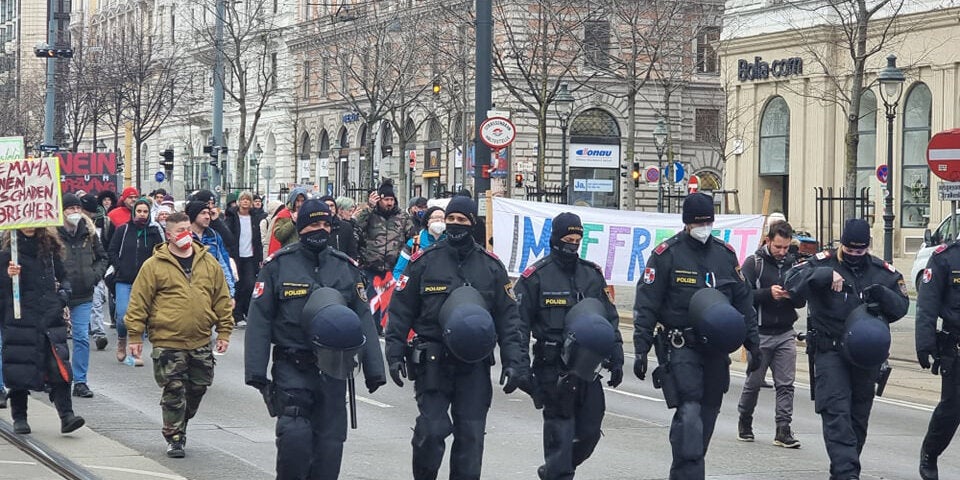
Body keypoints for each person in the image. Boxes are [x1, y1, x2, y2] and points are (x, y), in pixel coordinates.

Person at [385, 195, 526, 480]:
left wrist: (516, 362)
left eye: (461, 220)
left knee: (471, 436)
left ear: (472, 223)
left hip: (473, 365)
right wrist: (394, 352)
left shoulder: (491, 267)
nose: (454, 225)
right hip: (433, 361)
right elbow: (401, 310)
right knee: (431, 431)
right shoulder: (424, 262)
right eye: (450, 219)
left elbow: (509, 319)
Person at [245, 199, 385, 479]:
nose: (319, 230)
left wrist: (374, 370)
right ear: (300, 227)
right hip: (292, 365)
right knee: (294, 440)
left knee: (329, 447)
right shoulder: (278, 266)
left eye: (324, 224)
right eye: (312, 224)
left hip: (335, 368)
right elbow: (259, 319)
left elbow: (363, 319)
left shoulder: (344, 267)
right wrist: (256, 373)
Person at [632, 193, 761, 479]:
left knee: (706, 418)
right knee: (689, 415)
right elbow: (647, 303)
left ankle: (684, 472)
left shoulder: (725, 255)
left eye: (708, 221)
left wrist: (753, 342)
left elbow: (743, 301)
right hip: (681, 347)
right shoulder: (667, 254)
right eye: (699, 222)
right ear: (687, 223)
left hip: (715, 350)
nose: (704, 226)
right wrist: (641, 348)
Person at [784, 218, 909, 480]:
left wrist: (883, 296)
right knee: (836, 415)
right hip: (830, 351)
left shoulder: (881, 272)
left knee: (857, 420)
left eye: (859, 251)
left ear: (867, 247)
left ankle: (842, 471)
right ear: (842, 244)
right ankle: (847, 474)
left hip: (865, 357)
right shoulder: (822, 262)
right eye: (849, 250)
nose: (854, 255)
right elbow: (791, 283)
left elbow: (901, 307)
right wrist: (821, 275)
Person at [513, 212, 624, 479]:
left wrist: (616, 353)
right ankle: (558, 470)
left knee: (589, 434)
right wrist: (520, 368)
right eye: (567, 238)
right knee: (560, 436)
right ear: (555, 238)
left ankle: (555, 469)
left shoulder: (591, 274)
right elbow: (517, 325)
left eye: (577, 239)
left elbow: (609, 317)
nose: (572, 244)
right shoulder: (535, 277)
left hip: (588, 368)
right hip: (553, 370)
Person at [125, 212, 233, 458]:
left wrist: (224, 330)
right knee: (174, 389)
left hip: (201, 339)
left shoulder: (208, 262)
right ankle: (174, 436)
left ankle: (180, 422)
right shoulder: (153, 266)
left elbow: (222, 299)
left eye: (188, 229)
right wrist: (134, 336)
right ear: (169, 235)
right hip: (167, 340)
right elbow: (139, 302)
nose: (186, 234)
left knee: (198, 387)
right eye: (180, 230)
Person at [0, 227, 85, 435]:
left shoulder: (50, 249)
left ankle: (66, 415)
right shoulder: (7, 252)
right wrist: (7, 275)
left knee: (58, 368)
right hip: (20, 319)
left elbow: (64, 278)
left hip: (49, 317)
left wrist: (62, 297)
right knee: (21, 367)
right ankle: (20, 416)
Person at [736, 221, 805, 447]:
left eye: (786, 247)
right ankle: (745, 420)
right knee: (754, 382)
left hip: (785, 331)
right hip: (760, 333)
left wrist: (791, 295)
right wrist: (768, 293)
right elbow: (742, 295)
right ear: (768, 241)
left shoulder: (793, 264)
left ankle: (783, 429)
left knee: (786, 384)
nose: (782, 252)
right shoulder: (753, 263)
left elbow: (802, 299)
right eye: (778, 247)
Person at [913, 230, 960, 480]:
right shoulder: (945, 258)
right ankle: (930, 452)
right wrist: (925, 342)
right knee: (953, 408)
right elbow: (927, 304)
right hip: (957, 345)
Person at [57, 194, 109, 398]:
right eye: (70, 209)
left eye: (77, 208)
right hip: (59, 293)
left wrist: (94, 276)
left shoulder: (89, 232)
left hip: (84, 293)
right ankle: (55, 377)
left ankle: (80, 381)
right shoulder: (53, 233)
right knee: (55, 339)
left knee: (81, 337)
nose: (74, 212)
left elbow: (102, 257)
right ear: (62, 212)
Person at [107, 197, 166, 366]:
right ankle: (121, 340)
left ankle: (135, 354)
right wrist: (119, 267)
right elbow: (112, 250)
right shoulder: (123, 230)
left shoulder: (155, 232)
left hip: (145, 282)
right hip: (123, 280)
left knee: (140, 317)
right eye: (139, 211)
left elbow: (161, 253)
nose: (142, 214)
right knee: (122, 316)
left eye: (145, 211)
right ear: (134, 212)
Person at [225, 191, 262, 328]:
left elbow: (257, 239)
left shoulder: (255, 217)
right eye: (243, 199)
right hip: (236, 256)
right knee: (237, 285)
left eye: (248, 199)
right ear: (239, 202)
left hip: (250, 256)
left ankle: (246, 311)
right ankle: (236, 314)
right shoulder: (232, 217)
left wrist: (259, 257)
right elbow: (228, 236)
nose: (245, 202)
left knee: (250, 284)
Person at [185, 201, 236, 302]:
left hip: (212, 288)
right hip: (190, 291)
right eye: (203, 213)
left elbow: (223, 264)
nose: (207, 217)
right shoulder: (184, 237)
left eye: (208, 213)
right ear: (193, 215)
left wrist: (230, 292)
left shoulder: (214, 236)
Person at [81, 194, 109, 350]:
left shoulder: (97, 228)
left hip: (92, 273)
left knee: (96, 303)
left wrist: (97, 273)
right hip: (71, 276)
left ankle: (99, 333)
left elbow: (102, 254)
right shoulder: (63, 229)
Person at [392, 206, 445, 280]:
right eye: (435, 217)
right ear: (427, 221)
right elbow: (398, 272)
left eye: (443, 218)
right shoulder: (414, 243)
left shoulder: (451, 244)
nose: (439, 220)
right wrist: (406, 288)